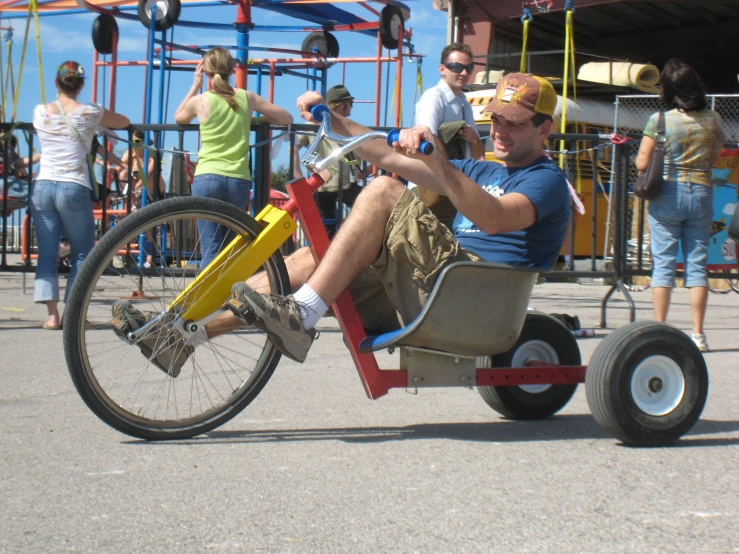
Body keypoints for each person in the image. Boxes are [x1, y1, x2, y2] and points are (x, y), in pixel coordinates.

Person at [110, 73, 570, 375]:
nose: (501, 131)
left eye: (514, 123)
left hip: (472, 296)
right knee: (315, 259)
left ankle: (301, 314)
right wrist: (332, 121)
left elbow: (494, 219)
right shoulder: (481, 171)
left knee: (387, 190)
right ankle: (179, 333)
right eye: (497, 121)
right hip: (436, 286)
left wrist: (441, 161)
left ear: (544, 129)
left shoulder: (545, 180)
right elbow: (384, 152)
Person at [174, 46, 293, 269]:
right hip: (238, 179)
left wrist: (194, 85)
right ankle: (231, 298)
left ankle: (205, 301)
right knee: (232, 249)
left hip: (207, 177)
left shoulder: (200, 101)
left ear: (206, 72)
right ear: (232, 70)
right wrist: (254, 121)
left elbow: (179, 118)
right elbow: (286, 117)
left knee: (210, 247)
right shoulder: (246, 97)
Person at [32, 61, 130, 330]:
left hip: (43, 186)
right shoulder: (90, 112)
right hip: (72, 185)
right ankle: (74, 315)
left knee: (48, 251)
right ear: (81, 85)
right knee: (82, 252)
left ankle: (52, 316)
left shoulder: (40, 112)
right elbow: (123, 121)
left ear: (56, 83)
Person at [635, 58, 723, 352]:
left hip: (667, 195)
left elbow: (642, 162)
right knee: (697, 266)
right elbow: (714, 159)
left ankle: (661, 331)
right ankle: (698, 334)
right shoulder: (713, 119)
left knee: (664, 265)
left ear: (669, 90)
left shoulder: (659, 121)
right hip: (701, 193)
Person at [412, 43, 484, 224]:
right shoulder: (433, 97)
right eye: (456, 67)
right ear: (442, 69)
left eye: (469, 68)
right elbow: (427, 137)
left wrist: (474, 139)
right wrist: (450, 174)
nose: (464, 73)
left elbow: (477, 153)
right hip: (431, 186)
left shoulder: (464, 103)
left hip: (452, 186)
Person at [292, 84, 365, 237]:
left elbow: (293, 147)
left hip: (322, 184)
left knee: (327, 233)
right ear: (341, 104)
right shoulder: (344, 127)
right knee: (368, 208)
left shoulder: (312, 125)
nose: (351, 108)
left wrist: (299, 176)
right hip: (339, 184)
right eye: (350, 103)